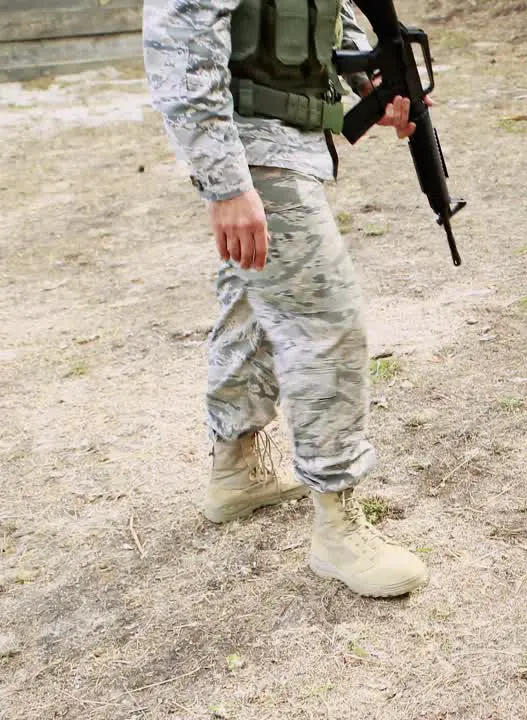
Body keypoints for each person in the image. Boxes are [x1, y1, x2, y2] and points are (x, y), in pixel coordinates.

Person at [142, 0, 428, 598]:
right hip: (250, 149)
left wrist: (375, 80)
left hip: (289, 141)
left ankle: (237, 471)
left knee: (253, 299)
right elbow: (180, 45)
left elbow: (327, 11)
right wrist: (226, 184)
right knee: (324, 321)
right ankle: (338, 527)